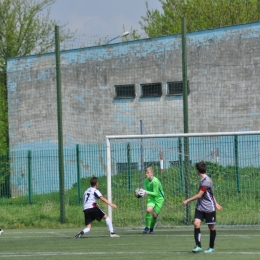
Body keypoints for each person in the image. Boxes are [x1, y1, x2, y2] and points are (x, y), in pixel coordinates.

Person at [182, 161, 222, 253]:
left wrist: (187, 200)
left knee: (211, 227)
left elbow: (200, 195)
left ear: (197, 171)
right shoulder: (203, 180)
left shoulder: (206, 181)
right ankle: (198, 246)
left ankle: (211, 247)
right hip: (200, 207)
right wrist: (216, 203)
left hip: (209, 208)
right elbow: (211, 194)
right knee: (196, 223)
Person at [139, 167, 165, 234]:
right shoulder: (146, 181)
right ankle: (147, 227)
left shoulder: (155, 181)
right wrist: (141, 194)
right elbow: (145, 190)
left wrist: (146, 192)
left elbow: (156, 193)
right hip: (152, 198)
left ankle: (151, 228)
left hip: (159, 199)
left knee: (154, 216)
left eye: (148, 173)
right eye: (146, 172)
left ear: (152, 174)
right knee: (148, 210)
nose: (146, 174)